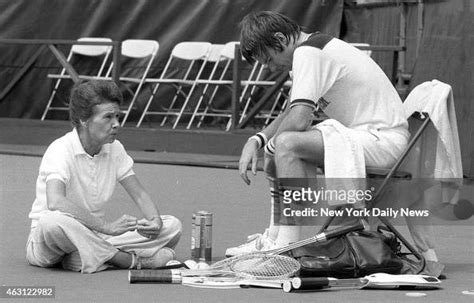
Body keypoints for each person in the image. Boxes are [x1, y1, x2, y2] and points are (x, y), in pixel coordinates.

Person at [226, 11, 411, 257]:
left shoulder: (309, 52)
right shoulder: (311, 48)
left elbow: (300, 118)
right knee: (283, 143)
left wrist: (272, 149)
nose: (271, 68)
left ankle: (284, 245)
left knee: (288, 144)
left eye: (269, 60)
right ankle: (275, 237)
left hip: (384, 142)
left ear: (281, 39)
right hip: (371, 138)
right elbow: (289, 113)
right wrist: (257, 140)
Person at [26, 80, 182, 273]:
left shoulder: (115, 148)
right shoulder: (60, 149)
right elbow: (56, 201)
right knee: (51, 221)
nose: (116, 124)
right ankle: (130, 261)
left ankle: (83, 257)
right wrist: (106, 227)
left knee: (172, 226)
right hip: (49, 243)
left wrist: (155, 221)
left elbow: (139, 193)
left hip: (95, 237)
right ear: (84, 119)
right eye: (108, 117)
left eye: (117, 116)